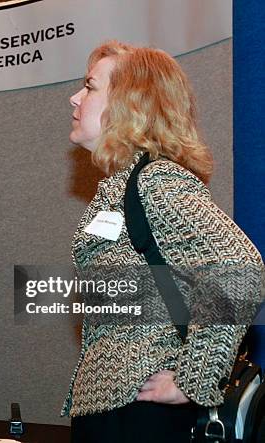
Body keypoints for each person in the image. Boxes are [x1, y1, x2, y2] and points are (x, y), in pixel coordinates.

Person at [62, 41, 263, 442]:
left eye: (90, 86)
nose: (75, 97)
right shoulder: (120, 188)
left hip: (141, 417)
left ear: (130, 105)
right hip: (117, 411)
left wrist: (193, 380)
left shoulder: (154, 182)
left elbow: (241, 268)